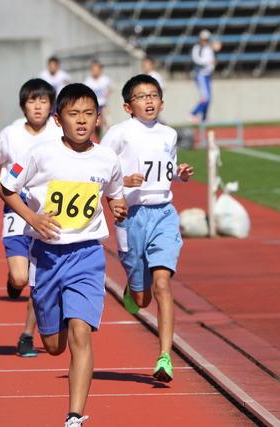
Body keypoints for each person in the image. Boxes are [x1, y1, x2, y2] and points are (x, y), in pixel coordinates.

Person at [0, 84, 127, 426]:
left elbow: (114, 194)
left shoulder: (107, 158)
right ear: (59, 119)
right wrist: (32, 218)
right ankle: (44, 326)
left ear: (98, 118)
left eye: (88, 114)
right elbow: (6, 186)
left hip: (87, 255)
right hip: (48, 256)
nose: (82, 121)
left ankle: (73, 416)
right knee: (55, 345)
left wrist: (118, 207)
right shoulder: (39, 153)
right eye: (73, 114)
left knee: (81, 332)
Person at [101, 74, 194, 383]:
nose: (149, 101)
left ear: (162, 101)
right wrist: (122, 182)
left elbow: (168, 166)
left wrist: (179, 173)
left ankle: (165, 356)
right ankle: (132, 287)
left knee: (163, 286)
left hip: (164, 213)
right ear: (128, 106)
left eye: (153, 95)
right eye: (141, 97)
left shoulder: (168, 134)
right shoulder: (118, 134)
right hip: (132, 215)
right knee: (142, 300)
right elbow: (97, 170)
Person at [0, 78, 61, 357]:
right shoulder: (10, 134)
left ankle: (27, 334)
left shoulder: (59, 130)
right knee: (19, 279)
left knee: (37, 281)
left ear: (51, 105)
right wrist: (1, 188)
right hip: (17, 211)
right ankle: (13, 279)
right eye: (32, 101)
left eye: (43, 101)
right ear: (23, 106)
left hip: (48, 213)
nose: (38, 106)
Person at [189, 29, 216, 123]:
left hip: (207, 75)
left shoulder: (208, 49)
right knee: (205, 97)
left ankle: (204, 117)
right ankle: (193, 114)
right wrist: (207, 63)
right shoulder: (197, 48)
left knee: (209, 98)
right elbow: (197, 60)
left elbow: (212, 62)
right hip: (201, 75)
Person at [83, 59, 112, 138]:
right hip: (93, 106)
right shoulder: (88, 81)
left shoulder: (105, 79)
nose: (94, 71)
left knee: (106, 124)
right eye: (93, 69)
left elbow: (110, 89)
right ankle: (96, 140)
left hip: (103, 105)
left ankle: (107, 139)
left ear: (100, 69)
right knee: (95, 125)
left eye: (96, 69)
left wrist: (106, 95)